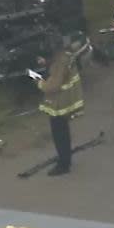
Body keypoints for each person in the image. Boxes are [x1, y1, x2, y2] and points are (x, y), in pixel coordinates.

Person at [34, 40, 85, 176]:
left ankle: (63, 164)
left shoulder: (59, 62)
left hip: (59, 102)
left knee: (59, 133)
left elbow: (53, 86)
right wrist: (47, 63)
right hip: (67, 98)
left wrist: (40, 83)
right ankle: (65, 158)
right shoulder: (66, 55)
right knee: (64, 130)